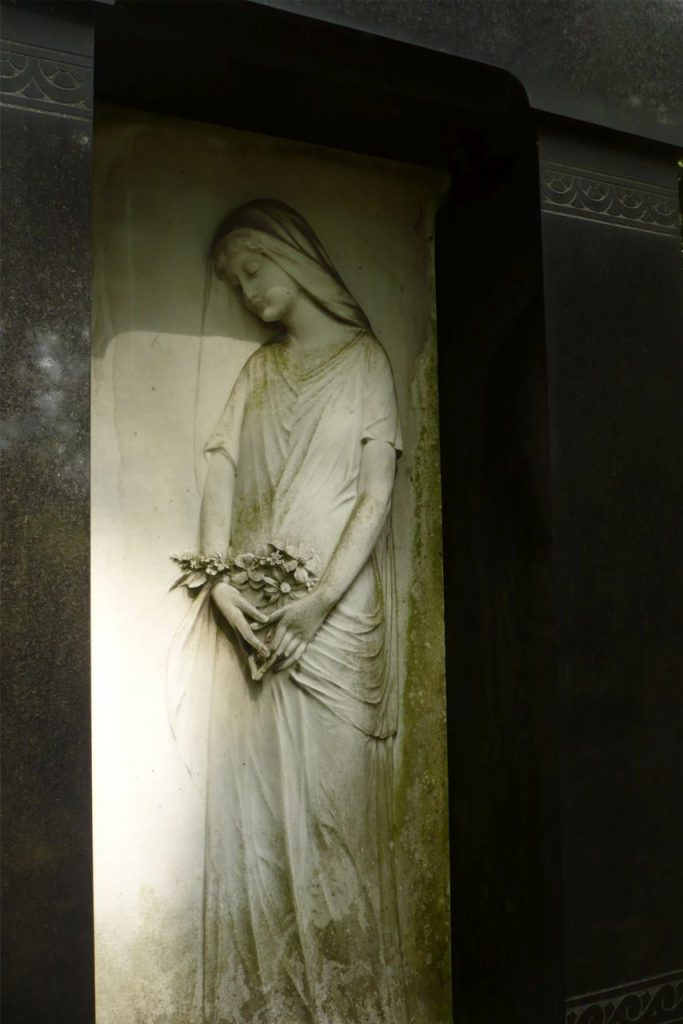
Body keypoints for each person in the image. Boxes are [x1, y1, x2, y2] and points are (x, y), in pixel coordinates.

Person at [170, 199, 407, 1024]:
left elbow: (375, 495)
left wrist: (318, 602)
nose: (246, 292)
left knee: (336, 823)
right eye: (235, 283)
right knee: (263, 825)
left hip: (334, 625)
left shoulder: (365, 361)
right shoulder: (260, 372)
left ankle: (352, 1002)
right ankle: (271, 1005)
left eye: (252, 270)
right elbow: (221, 470)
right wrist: (216, 580)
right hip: (259, 621)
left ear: (291, 257)